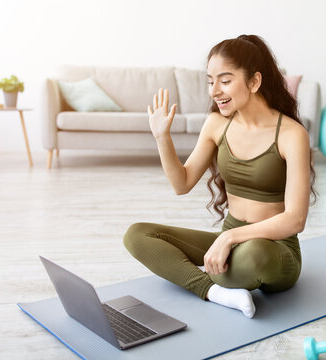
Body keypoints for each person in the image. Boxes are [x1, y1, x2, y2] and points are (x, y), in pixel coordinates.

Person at [123, 34, 316, 318]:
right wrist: (162, 137)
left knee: (252, 255)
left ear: (254, 82)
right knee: (137, 235)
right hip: (231, 236)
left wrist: (228, 240)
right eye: (210, 81)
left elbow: (295, 219)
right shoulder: (216, 124)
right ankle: (214, 290)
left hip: (274, 250)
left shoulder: (291, 134)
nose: (214, 91)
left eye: (225, 80)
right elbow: (182, 183)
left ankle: (217, 275)